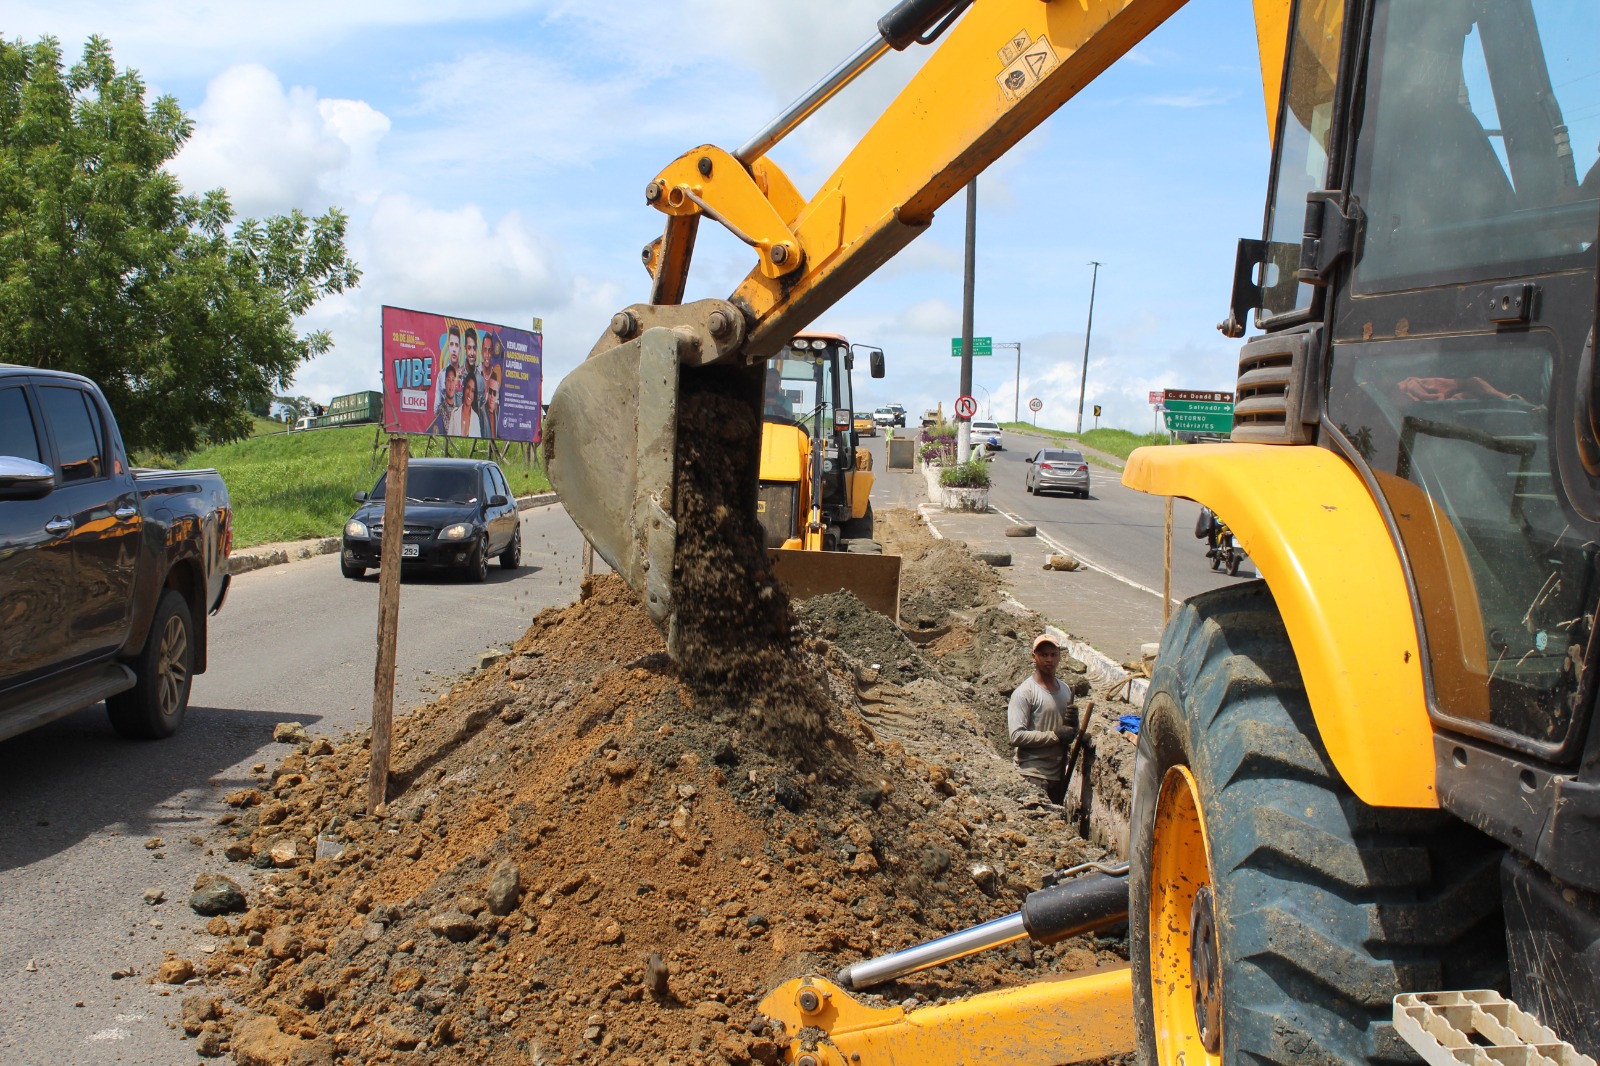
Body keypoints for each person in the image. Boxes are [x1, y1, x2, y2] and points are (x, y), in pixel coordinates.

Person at [1008, 633, 1078, 804]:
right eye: (1044, 655)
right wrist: (1054, 735)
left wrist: (1074, 727)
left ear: (1059, 657)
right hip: (1032, 775)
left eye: (1053, 654)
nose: (1049, 659)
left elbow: (1067, 734)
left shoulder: (1065, 690)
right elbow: (1016, 736)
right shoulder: (1025, 693)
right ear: (1034, 657)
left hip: (1058, 775)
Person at [455, 373, 483, 438]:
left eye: (473, 391)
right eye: (468, 388)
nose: (470, 393)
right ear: (464, 389)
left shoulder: (476, 419)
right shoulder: (454, 414)